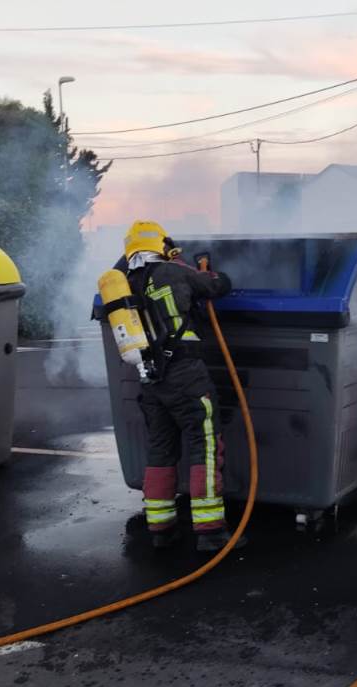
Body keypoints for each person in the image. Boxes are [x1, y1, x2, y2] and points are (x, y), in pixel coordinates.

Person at [119, 221, 244, 553]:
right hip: (185, 374)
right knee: (204, 443)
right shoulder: (174, 272)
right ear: (161, 246)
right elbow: (217, 285)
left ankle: (161, 529)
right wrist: (208, 270)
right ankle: (211, 531)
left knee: (160, 448)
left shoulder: (126, 284)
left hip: (151, 380)